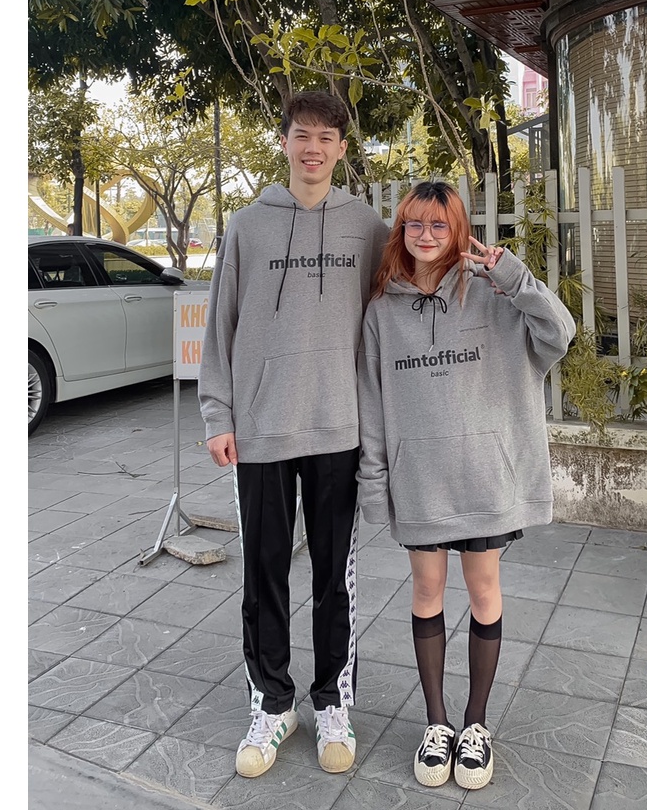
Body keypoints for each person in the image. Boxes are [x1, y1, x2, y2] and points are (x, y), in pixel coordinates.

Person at [356, 180, 576, 790]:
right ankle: (437, 723)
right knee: (427, 591)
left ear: (458, 230)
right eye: (414, 224)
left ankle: (476, 724)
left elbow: (560, 334)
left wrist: (513, 275)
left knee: (483, 591)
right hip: (419, 481)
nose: (425, 235)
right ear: (401, 231)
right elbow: (370, 403)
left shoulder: (495, 294)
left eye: (439, 224)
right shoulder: (381, 312)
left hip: (484, 479)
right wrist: (374, 483)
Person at [198, 91, 390, 779]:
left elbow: (394, 312)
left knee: (335, 579)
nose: (313, 147)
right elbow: (220, 325)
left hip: (339, 426)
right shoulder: (247, 226)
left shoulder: (366, 227)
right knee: (264, 572)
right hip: (262, 430)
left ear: (341, 148)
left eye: (326, 137)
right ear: (284, 142)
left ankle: (332, 701)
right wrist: (218, 415)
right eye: (302, 135)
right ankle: (272, 703)